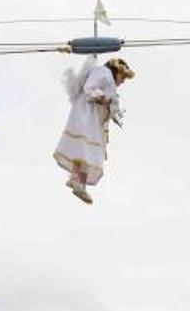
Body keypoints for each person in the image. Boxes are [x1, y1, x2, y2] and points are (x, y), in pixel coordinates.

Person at [53, 56, 135, 204]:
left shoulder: (110, 82)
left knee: (86, 151)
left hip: (92, 118)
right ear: (117, 71)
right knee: (85, 149)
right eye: (123, 77)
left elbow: (111, 103)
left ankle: (77, 181)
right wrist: (101, 97)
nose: (122, 81)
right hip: (86, 114)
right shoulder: (103, 73)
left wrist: (112, 109)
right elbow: (90, 87)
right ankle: (77, 181)